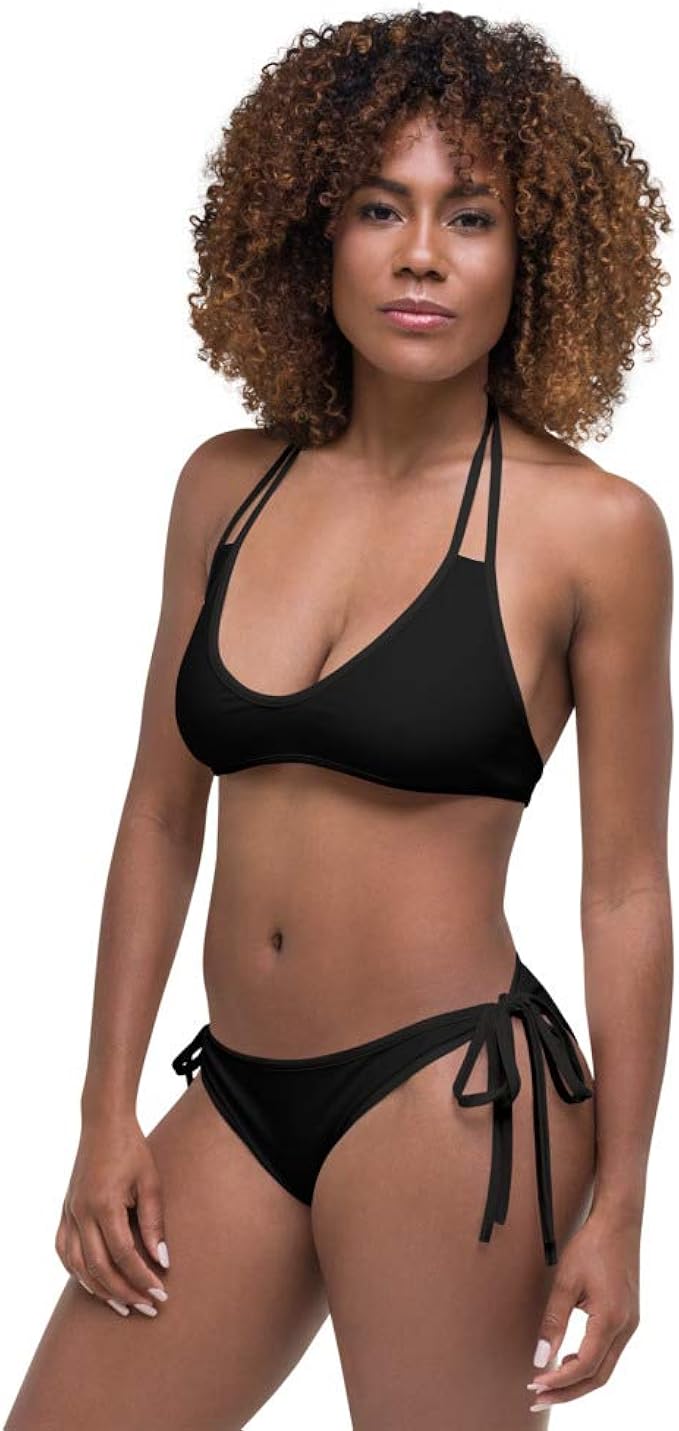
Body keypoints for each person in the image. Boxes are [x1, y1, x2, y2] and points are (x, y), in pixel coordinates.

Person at [6, 9, 673, 1429]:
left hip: (450, 1101)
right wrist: (106, 1109)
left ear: (535, 256)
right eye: (381, 207)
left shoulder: (594, 530)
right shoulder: (225, 487)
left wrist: (621, 1207)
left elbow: (624, 889)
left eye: (470, 216)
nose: (422, 254)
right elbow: (158, 815)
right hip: (237, 1095)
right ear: (313, 234)